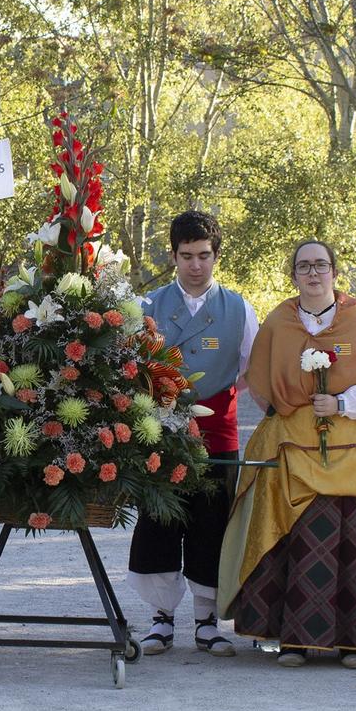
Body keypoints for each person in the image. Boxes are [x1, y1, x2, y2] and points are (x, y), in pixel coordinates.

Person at [217, 239, 356, 669]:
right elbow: (261, 380)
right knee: (296, 530)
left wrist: (342, 404)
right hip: (294, 433)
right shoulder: (278, 322)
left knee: (355, 528)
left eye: (321, 265)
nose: (313, 273)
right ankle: (292, 639)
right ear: (293, 275)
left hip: (353, 435)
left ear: (334, 272)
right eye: (304, 266)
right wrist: (296, 407)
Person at [129, 210, 257, 659]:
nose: (196, 265)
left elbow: (250, 372)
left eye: (204, 256)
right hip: (159, 434)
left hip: (217, 435)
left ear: (216, 256)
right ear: (173, 256)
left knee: (211, 525)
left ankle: (207, 621)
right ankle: (160, 621)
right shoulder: (147, 307)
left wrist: (209, 402)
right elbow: (132, 371)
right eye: (187, 256)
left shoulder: (240, 308)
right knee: (160, 523)